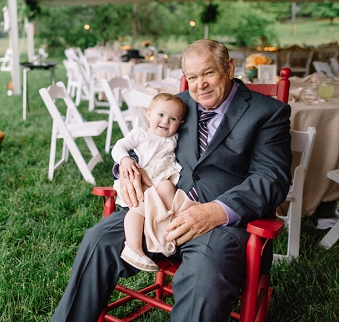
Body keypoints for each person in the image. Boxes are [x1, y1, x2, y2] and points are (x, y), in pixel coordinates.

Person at [50, 39, 292, 322]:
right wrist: (125, 168)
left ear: (229, 67)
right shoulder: (179, 105)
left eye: (208, 73)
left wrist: (215, 211)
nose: (200, 84)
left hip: (219, 223)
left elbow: (272, 178)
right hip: (157, 206)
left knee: (202, 278)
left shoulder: (267, 112)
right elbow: (146, 143)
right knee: (97, 240)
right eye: (192, 77)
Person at [112, 93, 186, 272]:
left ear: (180, 123)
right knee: (139, 207)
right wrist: (125, 160)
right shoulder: (140, 134)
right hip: (141, 181)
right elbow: (119, 147)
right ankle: (133, 246)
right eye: (160, 115)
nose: (165, 121)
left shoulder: (174, 137)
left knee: (169, 189)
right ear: (149, 114)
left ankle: (164, 229)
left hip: (161, 179)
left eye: (173, 118)